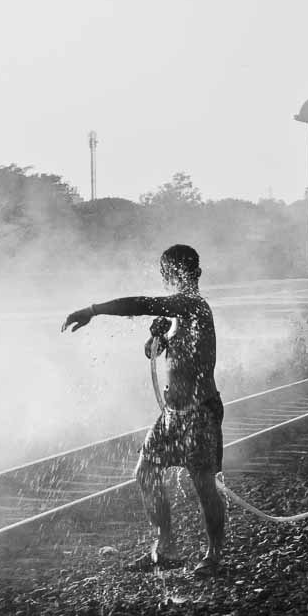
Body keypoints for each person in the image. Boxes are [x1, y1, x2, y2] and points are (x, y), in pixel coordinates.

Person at [62, 244, 226, 571]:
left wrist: (93, 310)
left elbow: (141, 304)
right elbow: (157, 352)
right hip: (173, 413)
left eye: (166, 272)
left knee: (204, 483)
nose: (164, 279)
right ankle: (165, 547)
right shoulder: (178, 312)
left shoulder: (192, 303)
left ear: (176, 272)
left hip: (200, 412)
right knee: (146, 471)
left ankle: (213, 555)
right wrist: (156, 341)